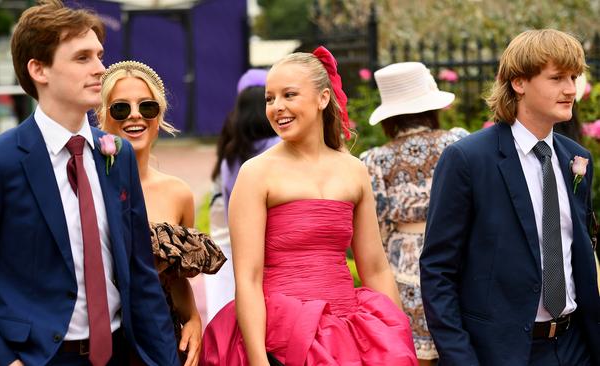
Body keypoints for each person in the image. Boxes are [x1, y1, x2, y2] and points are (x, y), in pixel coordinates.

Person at [0, 2, 179, 365]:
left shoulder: (116, 154)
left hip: (122, 351)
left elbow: (140, 272)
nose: (100, 69)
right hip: (42, 356)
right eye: (82, 58)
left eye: (99, 55)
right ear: (38, 69)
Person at [200, 46, 417, 365]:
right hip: (280, 337)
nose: (277, 108)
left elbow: (375, 268)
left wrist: (396, 339)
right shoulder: (256, 173)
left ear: (323, 98)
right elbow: (247, 277)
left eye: (289, 95)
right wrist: (259, 360)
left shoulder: (353, 170)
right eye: (270, 98)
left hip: (347, 332)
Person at [420, 29, 600, 366]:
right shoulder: (468, 160)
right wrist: (461, 358)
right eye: (557, 77)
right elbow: (437, 270)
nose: (571, 89)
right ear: (519, 83)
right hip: (502, 353)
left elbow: (579, 253)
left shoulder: (576, 159)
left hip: (576, 347)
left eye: (574, 77)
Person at [98, 60, 226, 366]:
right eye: (120, 108)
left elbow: (177, 276)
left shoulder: (178, 192)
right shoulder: (87, 182)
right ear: (102, 116)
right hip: (101, 340)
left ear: (159, 116)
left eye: (147, 106)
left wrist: (193, 318)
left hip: (160, 338)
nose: (134, 115)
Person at [360, 62, 468, 365]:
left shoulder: (375, 160)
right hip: (457, 258)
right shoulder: (458, 142)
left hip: (403, 273)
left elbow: (377, 228)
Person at [205, 68, 279, 321]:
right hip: (277, 252)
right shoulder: (282, 148)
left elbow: (228, 204)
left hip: (239, 245)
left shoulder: (232, 150)